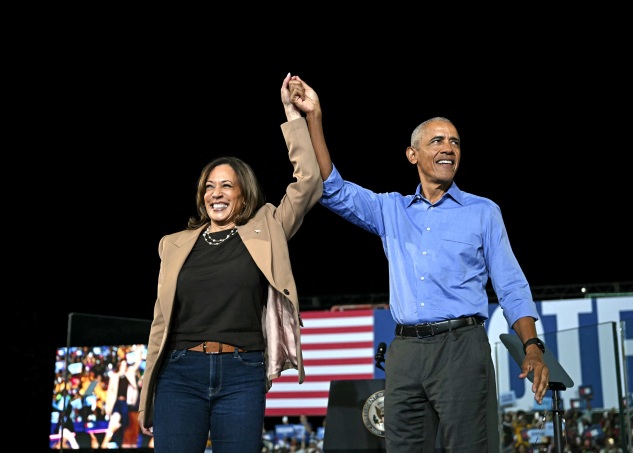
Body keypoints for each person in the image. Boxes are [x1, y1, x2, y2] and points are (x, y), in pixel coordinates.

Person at [288, 76, 550, 452]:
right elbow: (333, 187)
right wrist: (314, 116)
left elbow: (510, 285)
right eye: (437, 141)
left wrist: (532, 345)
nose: (449, 148)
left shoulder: (483, 212)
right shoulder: (390, 209)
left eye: (455, 141)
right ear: (412, 154)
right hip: (405, 353)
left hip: (461, 347)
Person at [137, 73, 322, 453]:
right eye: (209, 186)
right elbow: (159, 323)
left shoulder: (267, 228)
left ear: (243, 195)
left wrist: (292, 114)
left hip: (242, 373)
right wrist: (146, 395)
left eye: (226, 186)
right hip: (179, 374)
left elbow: (309, 182)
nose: (215, 193)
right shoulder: (172, 245)